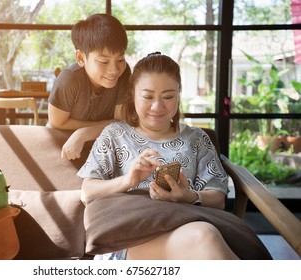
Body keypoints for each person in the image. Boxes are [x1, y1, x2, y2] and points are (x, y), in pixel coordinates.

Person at [77, 52, 239, 260]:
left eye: (169, 97)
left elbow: (218, 197)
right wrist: (129, 180)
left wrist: (188, 197)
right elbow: (87, 193)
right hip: (128, 240)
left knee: (203, 237)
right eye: (147, 96)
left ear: (179, 95)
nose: (157, 107)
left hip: (185, 227)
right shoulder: (114, 134)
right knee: (203, 238)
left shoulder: (197, 138)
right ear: (133, 94)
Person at [48, 13, 131, 160]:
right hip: (62, 147)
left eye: (120, 59)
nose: (115, 70)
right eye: (104, 62)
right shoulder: (69, 79)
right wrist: (103, 125)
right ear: (81, 58)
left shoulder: (124, 75)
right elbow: (57, 122)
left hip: (102, 149)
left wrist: (85, 133)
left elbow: (120, 123)